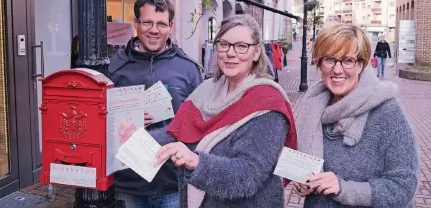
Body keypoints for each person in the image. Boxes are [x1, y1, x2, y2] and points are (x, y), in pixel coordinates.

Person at [155, 14, 298, 207]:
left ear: (256, 52)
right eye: (224, 44)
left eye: (241, 46)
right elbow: (176, 132)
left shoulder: (268, 103)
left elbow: (248, 176)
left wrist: (196, 162)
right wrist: (134, 140)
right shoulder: (207, 89)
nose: (230, 53)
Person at [295, 24, 418, 207]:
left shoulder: (387, 113)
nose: (337, 70)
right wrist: (303, 184)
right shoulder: (314, 106)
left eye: (347, 60)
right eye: (329, 59)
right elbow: (306, 168)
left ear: (361, 64)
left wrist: (344, 189)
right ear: (320, 64)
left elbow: (403, 186)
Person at [108, 0, 203, 207]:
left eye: (161, 24)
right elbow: (101, 120)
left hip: (173, 182)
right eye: (147, 22)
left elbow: (201, 123)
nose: (154, 30)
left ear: (170, 26)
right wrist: (127, 119)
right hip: (129, 182)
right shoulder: (114, 67)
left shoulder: (188, 69)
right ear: (136, 23)